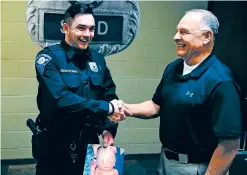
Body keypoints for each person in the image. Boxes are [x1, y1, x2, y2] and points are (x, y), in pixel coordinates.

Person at [115, 9, 243, 175]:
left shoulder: (221, 82)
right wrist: (124, 108)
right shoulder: (174, 68)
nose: (175, 37)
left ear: (206, 37)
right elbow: (156, 106)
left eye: (184, 32)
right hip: (165, 161)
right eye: (177, 31)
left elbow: (230, 145)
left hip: (198, 168)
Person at [33, 3, 129, 175]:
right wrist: (107, 108)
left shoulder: (98, 59)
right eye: (81, 28)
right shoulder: (48, 58)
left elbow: (109, 95)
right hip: (55, 144)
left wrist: (107, 128)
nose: (87, 34)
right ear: (65, 28)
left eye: (91, 29)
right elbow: (61, 99)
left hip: (89, 143)